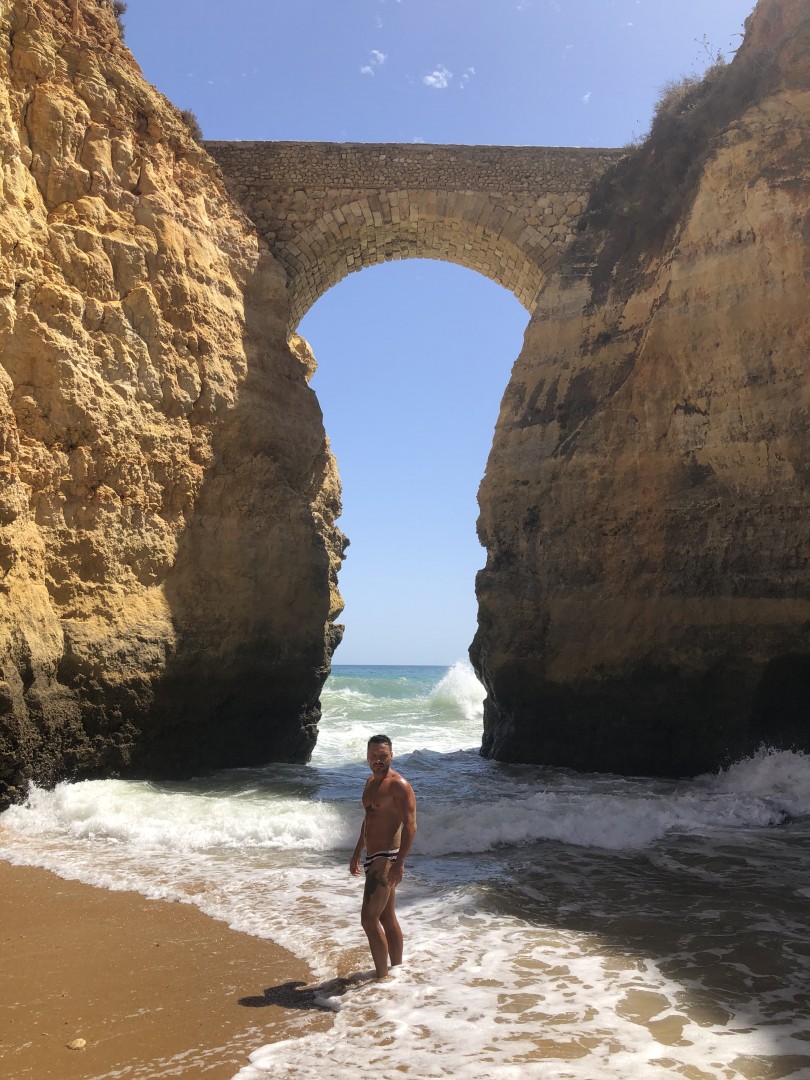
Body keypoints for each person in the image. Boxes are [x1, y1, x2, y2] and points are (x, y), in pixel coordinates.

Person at [349, 734, 417, 978]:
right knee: (387, 917)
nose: (377, 760)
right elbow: (368, 819)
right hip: (372, 855)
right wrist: (357, 852)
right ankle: (397, 971)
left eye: (382, 756)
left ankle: (381, 979)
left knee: (368, 920)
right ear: (367, 756)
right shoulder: (370, 782)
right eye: (373, 756)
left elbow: (410, 825)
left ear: (391, 755)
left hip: (386, 857)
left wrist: (399, 863)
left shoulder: (399, 785)